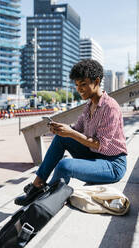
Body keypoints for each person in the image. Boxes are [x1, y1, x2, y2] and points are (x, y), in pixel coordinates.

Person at [15, 59, 127, 206]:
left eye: (83, 84)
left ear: (97, 81)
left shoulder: (110, 107)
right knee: (61, 139)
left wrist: (71, 133)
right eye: (77, 85)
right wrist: (62, 129)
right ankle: (37, 187)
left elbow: (101, 145)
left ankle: (46, 203)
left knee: (65, 165)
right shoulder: (89, 106)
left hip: (112, 165)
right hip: (94, 155)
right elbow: (76, 130)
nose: (79, 89)